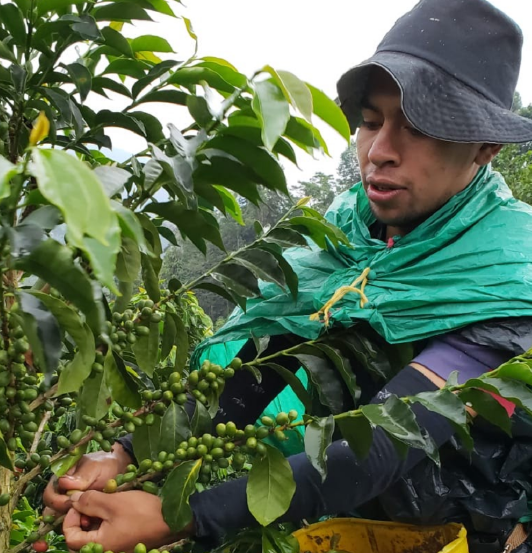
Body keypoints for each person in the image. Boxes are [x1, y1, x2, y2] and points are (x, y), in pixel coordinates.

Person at [44, 0, 532, 551]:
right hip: (350, 530)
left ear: (485, 146)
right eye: (371, 122)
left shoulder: (508, 273)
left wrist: (185, 517)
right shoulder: (349, 235)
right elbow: (268, 362)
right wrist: (125, 454)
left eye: (418, 128)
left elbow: (385, 441)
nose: (380, 152)